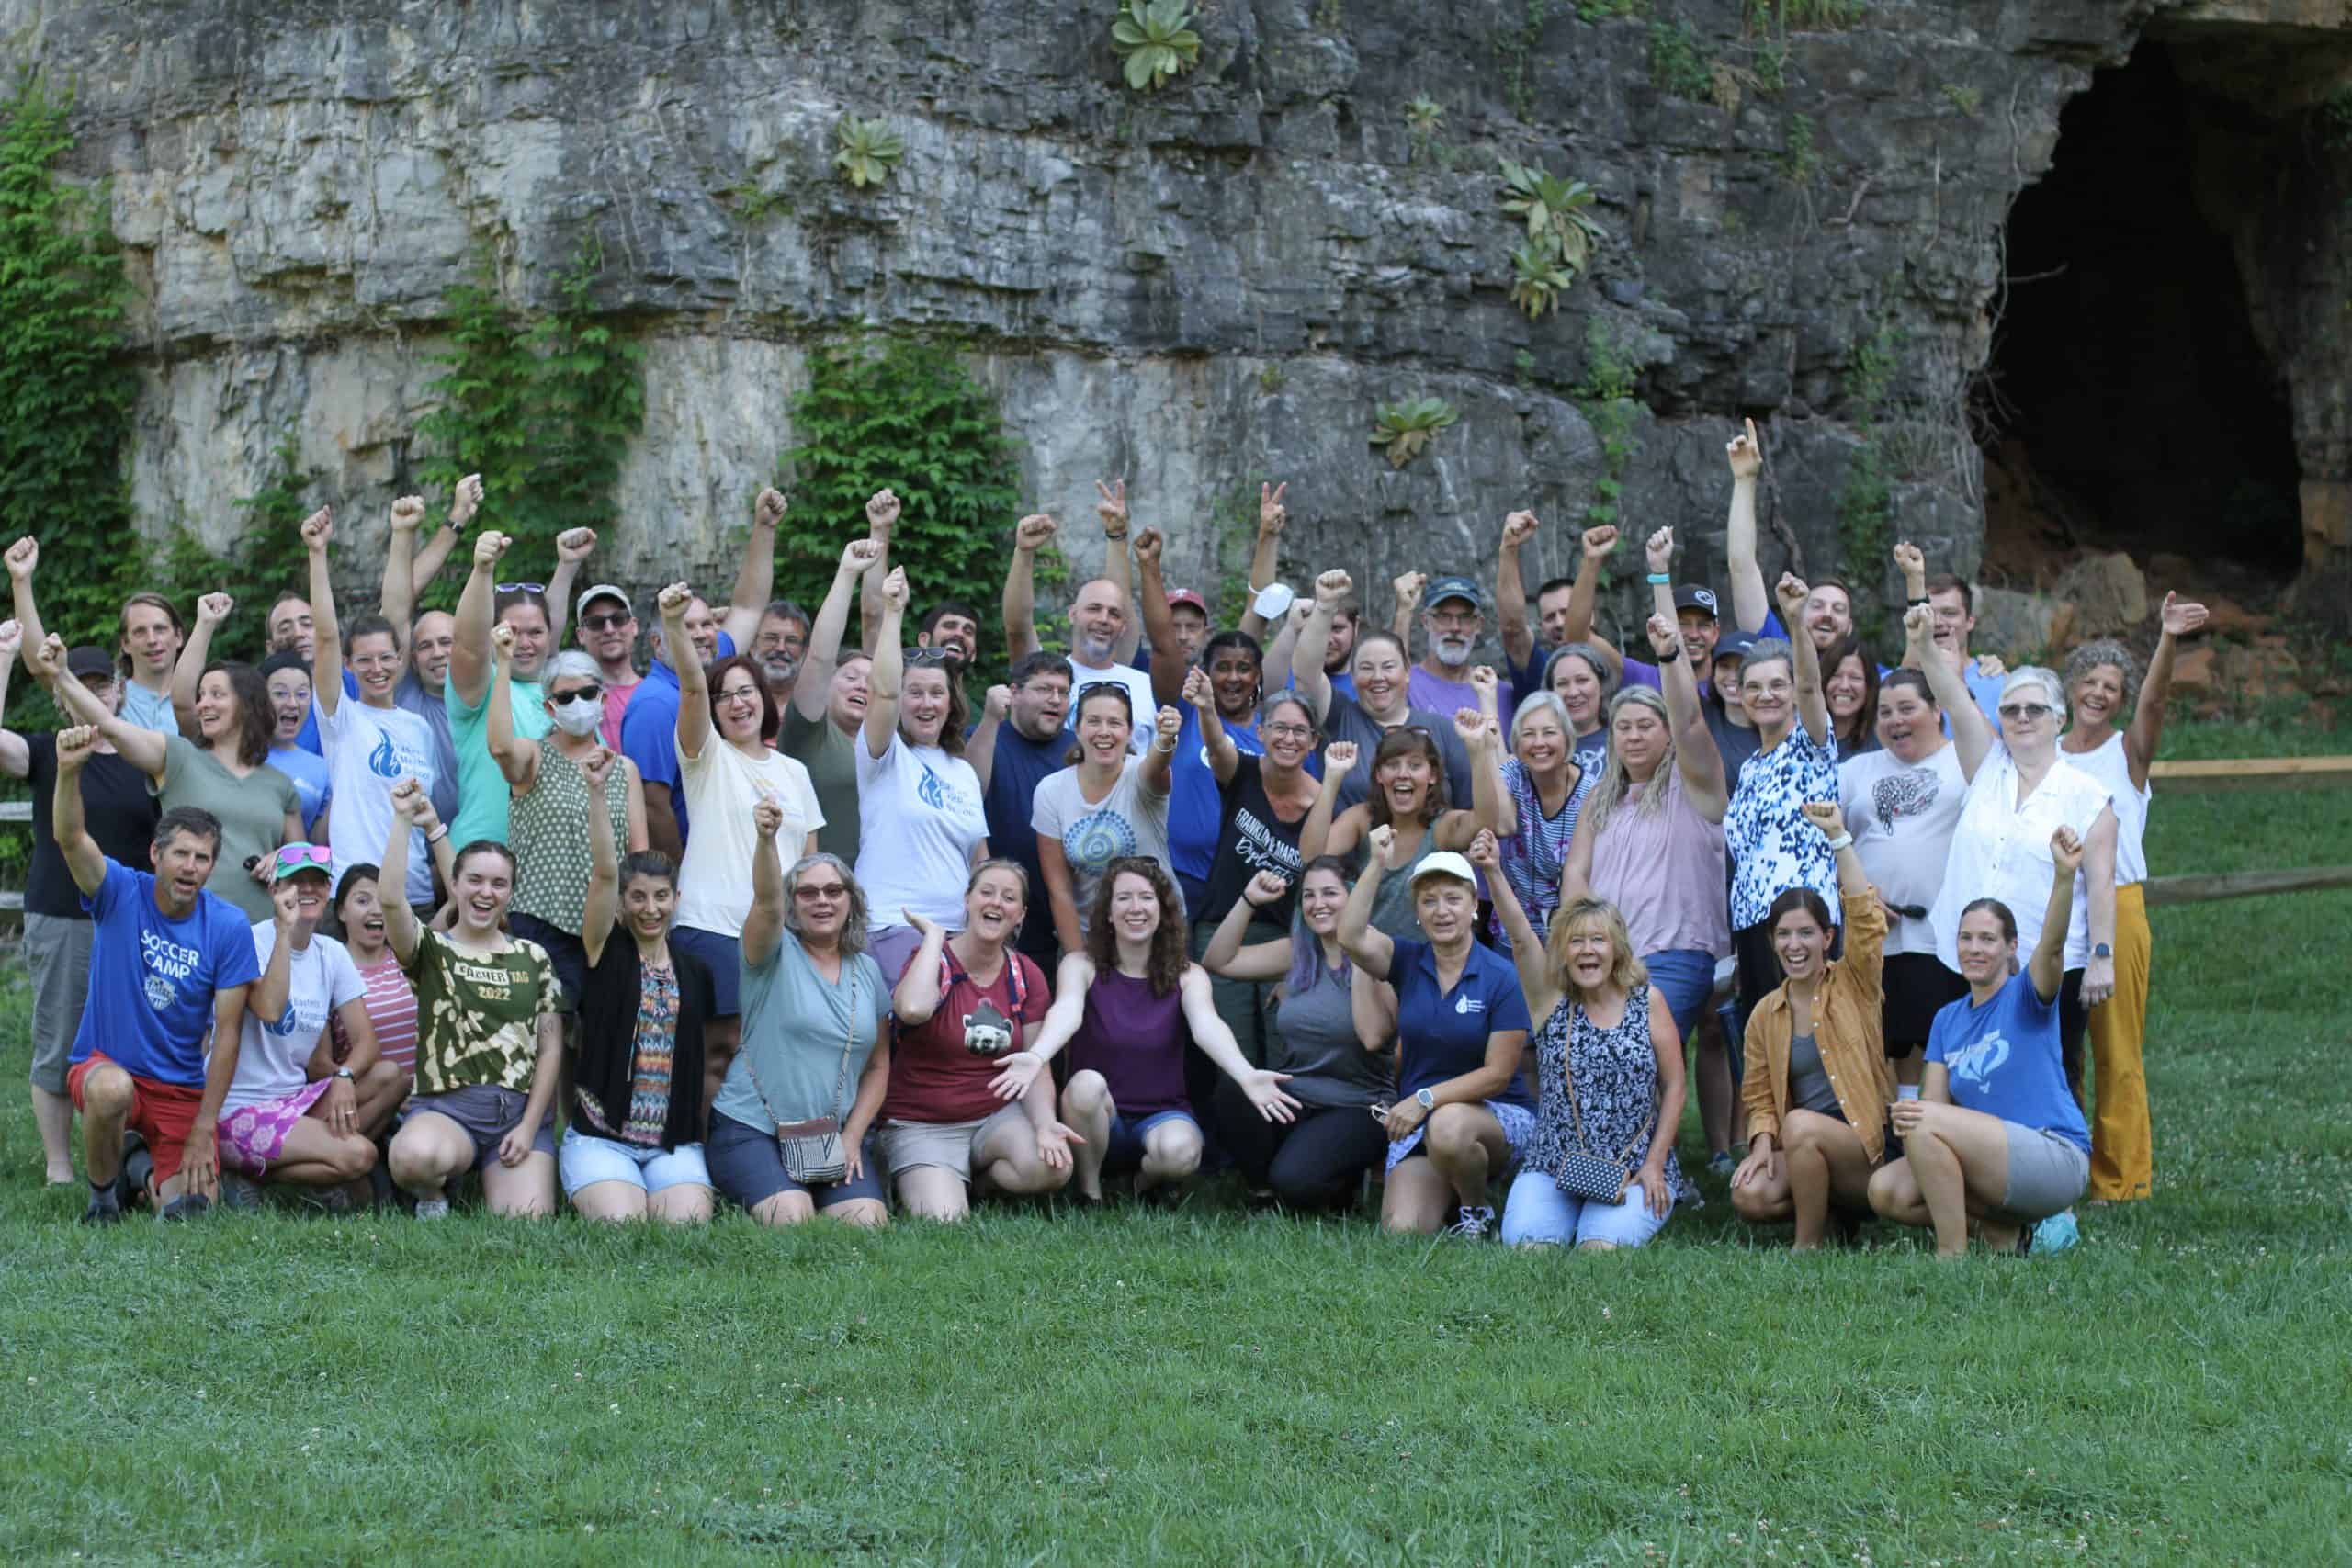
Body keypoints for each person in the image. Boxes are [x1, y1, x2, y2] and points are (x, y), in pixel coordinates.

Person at [987, 858, 1300, 1203]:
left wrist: (1246, 1074)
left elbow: (1207, 1025)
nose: (1136, 908)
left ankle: (1142, 1185)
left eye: (1146, 898)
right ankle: (1089, 1193)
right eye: (1123, 898)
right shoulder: (1080, 965)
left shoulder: (1188, 975)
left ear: (1163, 910)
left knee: (1180, 1153)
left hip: (1162, 1114)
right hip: (1096, 1118)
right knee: (1086, 1084)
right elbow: (1067, 1011)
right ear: (1107, 912)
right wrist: (1037, 1054)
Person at [51, 727, 259, 1223]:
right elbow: (70, 837)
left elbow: (228, 1033)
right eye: (180, 854)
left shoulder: (228, 926)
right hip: (107, 1066)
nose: (190, 867)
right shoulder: (120, 892)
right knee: (111, 1090)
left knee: (189, 1210)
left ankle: (138, 1168)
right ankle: (102, 1200)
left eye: (202, 857)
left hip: (180, 1088)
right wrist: (67, 771)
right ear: (156, 855)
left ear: (212, 867)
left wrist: (206, 1125)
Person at [1561, 604, 1734, 1163]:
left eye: (1645, 726)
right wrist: (1571, 939)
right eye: (1622, 727)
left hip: (1678, 952)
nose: (1632, 737)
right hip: (1605, 952)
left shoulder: (1696, 785)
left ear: (1665, 734)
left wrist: (1668, 654)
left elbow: (1692, 723)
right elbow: (1576, 872)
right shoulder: (1600, 797)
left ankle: (1652, 1164)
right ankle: (1605, 1156)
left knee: (1639, 1049)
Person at [1869, 828, 2094, 1256]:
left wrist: (2064, 878)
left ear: (2011, 948)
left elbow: (2051, 948)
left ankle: (1951, 1256)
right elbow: (1931, 1108)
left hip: (2054, 1155)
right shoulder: (1947, 1020)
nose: (1975, 948)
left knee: (1925, 1122)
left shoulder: (2027, 995)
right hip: (1990, 1162)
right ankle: (2007, 1235)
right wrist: (1903, 1116)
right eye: (1966, 938)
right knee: (1886, 1190)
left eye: (1988, 939)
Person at [2057, 591, 2206, 1203]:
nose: (2099, 693)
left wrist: (2168, 638)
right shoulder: (2044, 750)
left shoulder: (2127, 752)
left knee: (2116, 1049)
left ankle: (2121, 1180)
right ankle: (2062, 1166)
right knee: (2060, 1048)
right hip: (2057, 910)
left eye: (2111, 686)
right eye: (2090, 681)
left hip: (2116, 905)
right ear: (2069, 688)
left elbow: (2157, 699)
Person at [0, 627, 160, 1185]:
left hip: (132, 921)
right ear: (61, 696)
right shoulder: (47, 751)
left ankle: (123, 1151)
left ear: (118, 692)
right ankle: (59, 1166)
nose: (93, 693)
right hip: (62, 916)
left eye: (102, 684)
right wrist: (2, 658)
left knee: (132, 1040)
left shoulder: (144, 755)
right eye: (80, 684)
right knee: (60, 1037)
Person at [657, 579, 825, 1105]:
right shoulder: (706, 758)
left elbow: (811, 861)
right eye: (724, 696)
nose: (737, 703)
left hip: (781, 939)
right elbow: (689, 686)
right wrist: (673, 625)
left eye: (746, 691)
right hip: (713, 928)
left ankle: (752, 1153)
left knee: (768, 1048)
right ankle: (709, 1164)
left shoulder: (794, 772)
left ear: (764, 698)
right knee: (720, 1046)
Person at [1479, 834, 1684, 1250]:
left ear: (1617, 950)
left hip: (1632, 1165)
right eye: (1576, 941)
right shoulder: (1551, 1001)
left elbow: (1676, 1085)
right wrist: (1493, 871)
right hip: (1554, 1163)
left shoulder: (1648, 1002)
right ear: (1563, 952)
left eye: (1598, 940)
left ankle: (1605, 1218)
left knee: (1600, 1249)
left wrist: (1655, 1164)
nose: (1587, 951)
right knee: (1528, 1246)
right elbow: (1520, 939)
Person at [1925, 666, 2120, 1099]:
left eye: (2035, 708)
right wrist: (1923, 645)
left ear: (2059, 719)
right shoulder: (1986, 765)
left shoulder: (2088, 796)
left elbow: (2103, 884)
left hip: (2046, 963)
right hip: (1967, 955)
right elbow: (1953, 697)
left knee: (2049, 1077)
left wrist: (2101, 956)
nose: (2023, 717)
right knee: (1963, 1072)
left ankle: (2054, 1163)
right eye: (2011, 710)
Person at [379, 782, 564, 1219]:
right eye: (475, 881)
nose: (486, 892)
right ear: (455, 887)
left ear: (511, 894)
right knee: (413, 1157)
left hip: (518, 1111)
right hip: (449, 1111)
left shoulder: (533, 957)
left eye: (499, 884)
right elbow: (390, 900)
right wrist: (405, 820)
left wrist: (529, 1125)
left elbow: (551, 1047)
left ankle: (495, 1171)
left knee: (526, 1224)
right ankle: (433, 1193)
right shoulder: (432, 950)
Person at [705, 810, 892, 1229]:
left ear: (851, 900)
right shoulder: (770, 952)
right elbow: (766, 902)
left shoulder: (868, 971)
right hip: (751, 1126)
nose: (822, 900)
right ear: (793, 904)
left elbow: (879, 1065)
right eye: (807, 893)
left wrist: (852, 1137)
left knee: (868, 1223)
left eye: (833, 890)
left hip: (829, 1136)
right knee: (792, 1220)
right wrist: (766, 839)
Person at [32, 632, 298, 925]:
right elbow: (110, 726)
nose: (202, 705)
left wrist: (285, 855)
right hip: (186, 930)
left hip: (259, 931)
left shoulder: (279, 783)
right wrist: (62, 675)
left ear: (248, 704)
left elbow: (304, 857)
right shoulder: (178, 756)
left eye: (216, 695)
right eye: (201, 696)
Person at [1729, 801, 1894, 1248]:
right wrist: (1762, 1142)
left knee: (1800, 1125)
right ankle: (1834, 1216)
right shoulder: (1766, 1013)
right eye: (1784, 934)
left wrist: (1839, 838)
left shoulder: (1855, 982)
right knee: (1750, 1195)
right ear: (1772, 942)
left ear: (1827, 938)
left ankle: (1808, 1245)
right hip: (1803, 1147)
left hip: (1864, 1148)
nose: (1794, 944)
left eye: (1806, 933)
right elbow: (1760, 1096)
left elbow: (1865, 917)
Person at [562, 749, 717, 1224]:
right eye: (638, 898)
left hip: (674, 1143)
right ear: (622, 905)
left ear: (676, 899)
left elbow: (699, 1059)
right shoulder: (603, 953)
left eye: (661, 897)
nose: (650, 908)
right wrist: (596, 791)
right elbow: (606, 870)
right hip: (601, 1137)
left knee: (685, 1231)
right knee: (622, 1228)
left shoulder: (695, 971)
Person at [1839, 605, 1992, 1086]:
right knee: (1884, 1044)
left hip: (1941, 933)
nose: (1895, 721)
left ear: (1937, 712)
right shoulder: (1856, 771)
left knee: (1941, 1043)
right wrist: (1860, 897)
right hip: (1873, 935)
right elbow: (1827, 846)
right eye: (1885, 712)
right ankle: (1897, 1138)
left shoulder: (1967, 763)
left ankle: (1941, 1135)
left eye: (1907, 709)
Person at [881, 863, 1079, 1221]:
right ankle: (937, 1179)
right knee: (945, 1222)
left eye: (1009, 897)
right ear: (968, 900)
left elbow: (1036, 1065)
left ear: (1020, 915)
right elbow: (910, 1009)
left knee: (1054, 1167)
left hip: (995, 1116)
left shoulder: (1026, 975)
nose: (997, 903)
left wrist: (1046, 1123)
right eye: (987, 892)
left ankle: (981, 1184)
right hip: (925, 1122)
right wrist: (932, 939)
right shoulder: (932, 960)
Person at [215, 845, 403, 1206]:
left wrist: (344, 1076)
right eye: (295, 882)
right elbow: (268, 1010)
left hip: (293, 1102)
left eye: (316, 882)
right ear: (274, 889)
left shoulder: (331, 953)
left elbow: (367, 1042)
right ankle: (260, 1174)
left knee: (389, 1076)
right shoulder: (248, 941)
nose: (307, 890)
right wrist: (285, 932)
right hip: (240, 1109)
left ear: (329, 890)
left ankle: (279, 1169)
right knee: (360, 1156)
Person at [1203, 862, 1396, 1210]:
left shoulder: (1378, 952)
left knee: (1295, 1180)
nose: (1317, 903)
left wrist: (1357, 948)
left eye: (1330, 893)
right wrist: (1249, 899)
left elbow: (1372, 1038)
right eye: (1308, 895)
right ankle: (1264, 1194)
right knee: (1235, 1091)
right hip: (1299, 1097)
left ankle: (1328, 1188)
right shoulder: (1299, 953)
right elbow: (1219, 961)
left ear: (1354, 898)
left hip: (1358, 1106)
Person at [487, 632, 649, 1006]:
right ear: (549, 708)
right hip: (540, 921)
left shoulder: (624, 769)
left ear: (603, 699)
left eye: (589, 694)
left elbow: (639, 853)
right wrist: (504, 664)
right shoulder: (533, 757)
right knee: (547, 1034)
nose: (579, 703)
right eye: (565, 697)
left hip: (609, 925)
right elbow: (499, 746)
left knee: (597, 1038)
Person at [307, 505, 445, 918]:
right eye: (364, 661)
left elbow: (426, 815)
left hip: (415, 892)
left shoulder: (419, 728)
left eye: (386, 658)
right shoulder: (342, 719)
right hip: (357, 890)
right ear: (348, 665)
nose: (377, 669)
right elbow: (327, 637)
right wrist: (317, 553)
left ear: (402, 659)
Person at [855, 566, 990, 985]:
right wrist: (893, 612)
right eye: (915, 693)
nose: (926, 703)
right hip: (894, 926)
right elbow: (883, 690)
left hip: (960, 934)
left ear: (952, 703)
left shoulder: (962, 771)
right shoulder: (883, 753)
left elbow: (978, 858)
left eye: (937, 693)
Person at [1723, 572, 1841, 1032]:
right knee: (1766, 1050)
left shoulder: (1811, 743)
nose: (1765, 695)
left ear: (1792, 691)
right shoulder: (1750, 766)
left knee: (1812, 1046)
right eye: (1754, 686)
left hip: (1804, 919)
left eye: (1777, 684)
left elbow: (1813, 688)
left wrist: (1795, 622)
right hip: (1755, 927)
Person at [443, 525, 593, 848]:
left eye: (535, 633)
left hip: (549, 863)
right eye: (512, 630)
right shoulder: (482, 686)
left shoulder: (565, 695)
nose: (523, 642)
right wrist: (483, 570)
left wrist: (566, 567)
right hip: (484, 861)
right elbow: (468, 646)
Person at [1292, 571, 1474, 809]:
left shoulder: (1443, 730)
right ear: (1354, 677)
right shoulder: (1339, 717)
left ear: (1407, 672)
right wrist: (1325, 606)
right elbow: (1306, 674)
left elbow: (1468, 812)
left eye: (1388, 667)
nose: (1378, 678)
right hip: (1350, 843)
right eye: (1367, 668)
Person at [1032, 682, 1178, 954]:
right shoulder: (1050, 791)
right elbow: (1059, 889)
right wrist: (1078, 961)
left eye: (1115, 722)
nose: (1104, 732)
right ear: (1077, 729)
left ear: (1130, 731)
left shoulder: (1141, 774)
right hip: (1090, 935)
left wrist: (1165, 740)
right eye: (1094, 721)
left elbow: (1158, 765)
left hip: (1158, 933)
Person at [1301, 725, 1485, 940]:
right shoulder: (1362, 818)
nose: (1403, 774)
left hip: (1430, 959)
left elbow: (1487, 820)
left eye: (1415, 766)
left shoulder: (1443, 825)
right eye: (1392, 765)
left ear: (1432, 775)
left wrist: (1479, 751)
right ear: (1379, 774)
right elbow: (1311, 857)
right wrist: (1332, 777)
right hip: (1371, 960)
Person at [1001, 488, 1157, 742]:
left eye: (1114, 614)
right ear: (1072, 614)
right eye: (1093, 609)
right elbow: (1017, 627)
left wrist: (1117, 536)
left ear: (1124, 626)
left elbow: (1120, 596)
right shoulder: (1046, 678)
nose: (1104, 619)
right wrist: (1024, 553)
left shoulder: (1144, 684)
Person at [777, 527, 886, 863]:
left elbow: (878, 624)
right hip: (819, 892)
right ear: (828, 686)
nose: (861, 686)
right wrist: (848, 572)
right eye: (851, 676)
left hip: (881, 895)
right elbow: (821, 657)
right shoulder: (809, 734)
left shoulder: (890, 746)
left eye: (870, 682)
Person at [3, 538, 180, 739]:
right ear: (125, 644)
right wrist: (21, 580)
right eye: (139, 631)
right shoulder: (111, 694)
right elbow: (42, 666)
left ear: (179, 636)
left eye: (160, 629)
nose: (152, 639)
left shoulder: (204, 697)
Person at [380, 478, 481, 827]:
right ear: (410, 659)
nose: (437, 653)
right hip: (411, 845)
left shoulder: (485, 694)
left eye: (447, 642)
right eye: (424, 646)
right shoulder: (404, 692)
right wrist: (409, 533)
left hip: (474, 850)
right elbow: (396, 609)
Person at [967, 654, 1074, 966]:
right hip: (994, 914)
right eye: (1044, 689)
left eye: (1064, 692)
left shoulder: (1077, 748)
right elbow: (968, 789)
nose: (1055, 700)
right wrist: (989, 720)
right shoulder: (985, 737)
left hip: (1057, 920)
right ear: (1014, 693)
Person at [1475, 665, 1589, 953]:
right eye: (1529, 734)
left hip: (1570, 936)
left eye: (1549, 733)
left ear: (1566, 737)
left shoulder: (1591, 791)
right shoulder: (1514, 772)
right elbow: (1502, 824)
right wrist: (1486, 711)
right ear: (1517, 741)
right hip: (1513, 936)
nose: (1539, 744)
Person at [329, 863, 428, 1085]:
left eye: (383, 901)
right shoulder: (330, 967)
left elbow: (455, 902)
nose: (376, 910)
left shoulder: (411, 957)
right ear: (341, 911)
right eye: (363, 901)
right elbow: (320, 1064)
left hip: (424, 1103)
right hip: (370, 1097)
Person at [1895, 542, 2006, 729]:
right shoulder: (1894, 683)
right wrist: (1914, 578)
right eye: (1930, 613)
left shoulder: (1999, 682)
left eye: (1949, 612)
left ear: (1970, 621)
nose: (1937, 622)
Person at [1401, 573, 1513, 718]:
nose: (1455, 627)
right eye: (1443, 617)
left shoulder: (1499, 694)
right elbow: (1391, 671)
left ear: (1479, 625)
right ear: (1425, 621)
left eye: (1465, 618)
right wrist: (1404, 610)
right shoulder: (1406, 685)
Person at [255, 650, 332, 834]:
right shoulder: (239, 755)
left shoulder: (323, 770)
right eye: (280, 693)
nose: (292, 703)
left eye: (302, 694)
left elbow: (316, 848)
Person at [572, 582, 643, 746]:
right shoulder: (571, 699)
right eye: (596, 623)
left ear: (634, 626)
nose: (609, 630)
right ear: (581, 635)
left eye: (618, 619)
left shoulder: (657, 694)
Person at [1540, 641, 1616, 766]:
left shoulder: (1622, 741)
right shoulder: (1538, 748)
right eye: (1562, 683)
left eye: (1582, 680)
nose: (1573, 692)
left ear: (1602, 685)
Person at [1823, 635, 1881, 757]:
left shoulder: (1883, 744)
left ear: (1869, 686)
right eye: (1836, 675)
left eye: (1855, 678)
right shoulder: (1799, 737)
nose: (1844, 686)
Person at [752, 598, 810, 707]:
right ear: (752, 646)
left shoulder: (819, 703)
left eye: (791, 640)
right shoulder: (736, 700)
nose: (781, 648)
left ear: (805, 650)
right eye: (771, 638)